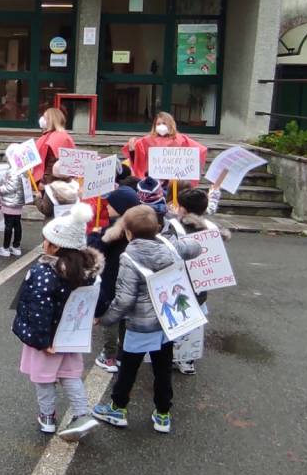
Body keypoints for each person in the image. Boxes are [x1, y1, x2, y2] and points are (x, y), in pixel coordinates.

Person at [92, 205, 197, 434]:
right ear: (158, 228)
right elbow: (196, 247)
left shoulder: (129, 257)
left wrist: (106, 318)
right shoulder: (171, 247)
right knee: (163, 369)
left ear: (127, 232)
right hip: (168, 321)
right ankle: (162, 413)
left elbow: (124, 299)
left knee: (128, 368)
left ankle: (118, 408)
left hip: (140, 325)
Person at [12, 203, 103, 441]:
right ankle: (82, 414)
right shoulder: (88, 272)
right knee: (70, 376)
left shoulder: (45, 273)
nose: (44, 244)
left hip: (48, 339)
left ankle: (48, 417)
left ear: (56, 246)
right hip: (72, 336)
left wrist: (42, 341)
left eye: (47, 240)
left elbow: (39, 309)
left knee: (44, 379)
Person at [162, 186, 229, 375]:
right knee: (194, 319)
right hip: (201, 282)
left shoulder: (175, 227)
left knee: (176, 320)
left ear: (182, 208)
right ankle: (188, 360)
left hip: (177, 282)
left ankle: (171, 357)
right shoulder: (212, 228)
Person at [89, 186, 142, 374]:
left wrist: (95, 235)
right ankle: (122, 354)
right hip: (130, 283)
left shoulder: (113, 231)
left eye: (111, 204)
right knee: (125, 319)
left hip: (112, 281)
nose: (107, 206)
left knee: (109, 318)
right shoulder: (138, 228)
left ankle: (109, 355)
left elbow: (95, 252)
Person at [123, 111, 207, 180]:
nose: (161, 126)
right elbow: (137, 158)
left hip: (174, 180)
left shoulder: (180, 139)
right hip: (153, 179)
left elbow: (198, 150)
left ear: (170, 124)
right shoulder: (147, 140)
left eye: (164, 123)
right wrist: (132, 147)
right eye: (158, 124)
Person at [0, 154, 29, 258]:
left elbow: (10, 187)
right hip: (18, 202)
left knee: (8, 225)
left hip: (10, 202)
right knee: (17, 224)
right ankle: (16, 246)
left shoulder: (13, 171)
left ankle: (5, 248)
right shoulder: (24, 170)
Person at [32, 107, 75, 184]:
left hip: (52, 182)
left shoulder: (57, 138)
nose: (42, 119)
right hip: (54, 181)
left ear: (51, 120)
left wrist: (43, 181)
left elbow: (52, 162)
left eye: (45, 117)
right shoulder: (56, 135)